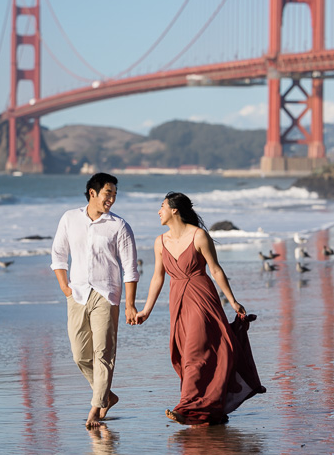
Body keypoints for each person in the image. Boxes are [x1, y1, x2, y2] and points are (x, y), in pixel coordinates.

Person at [136, 192, 265, 425]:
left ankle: (187, 407)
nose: (159, 211)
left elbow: (215, 270)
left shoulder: (198, 236)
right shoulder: (159, 242)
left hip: (201, 297)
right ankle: (208, 407)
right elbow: (157, 278)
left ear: (174, 210)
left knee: (195, 354)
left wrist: (233, 301)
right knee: (185, 353)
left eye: (162, 206)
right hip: (177, 301)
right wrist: (146, 310)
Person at [51, 172, 139, 429]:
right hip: (76, 294)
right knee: (80, 354)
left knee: (103, 353)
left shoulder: (119, 226)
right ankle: (107, 395)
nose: (111, 199)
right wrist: (64, 286)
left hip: (106, 294)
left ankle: (95, 407)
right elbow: (58, 254)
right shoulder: (70, 218)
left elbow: (130, 268)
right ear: (92, 193)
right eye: (107, 193)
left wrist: (130, 304)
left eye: (114, 194)